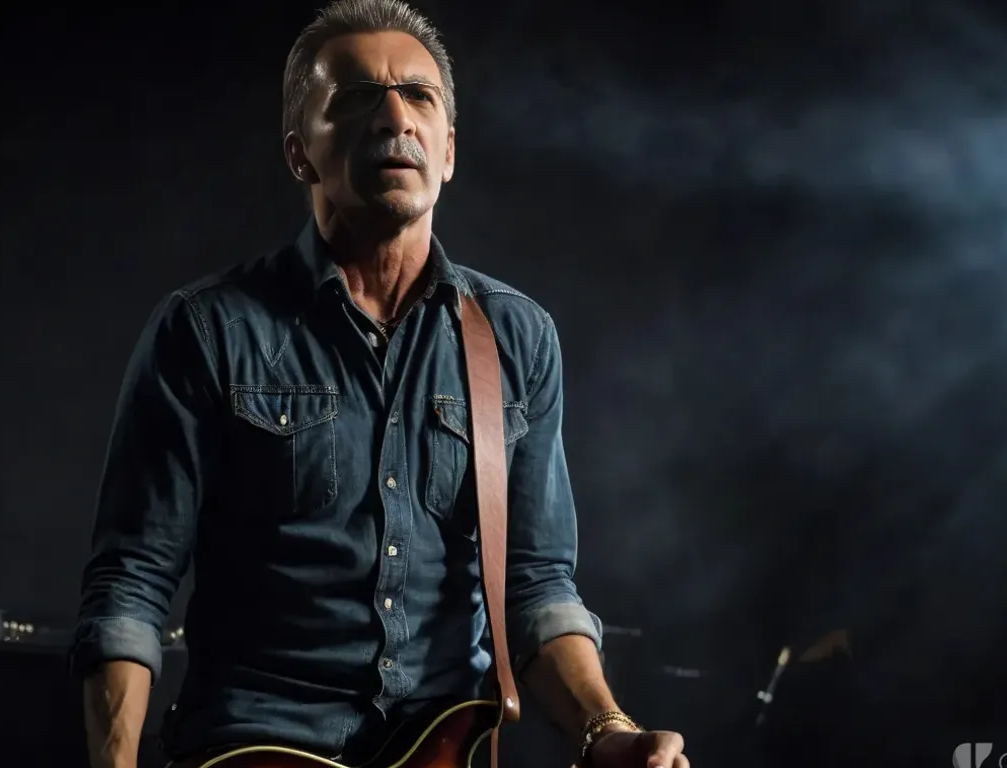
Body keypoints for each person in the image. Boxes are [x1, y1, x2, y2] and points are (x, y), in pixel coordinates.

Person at [70, 1, 688, 767]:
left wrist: (608, 731)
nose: (396, 115)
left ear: (449, 151)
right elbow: (131, 584)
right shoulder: (207, 330)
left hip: (448, 744)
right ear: (301, 154)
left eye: (420, 96)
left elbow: (538, 588)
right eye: (359, 96)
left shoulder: (515, 338)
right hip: (254, 746)